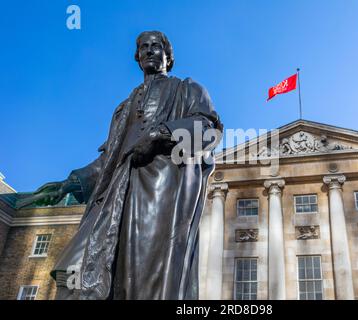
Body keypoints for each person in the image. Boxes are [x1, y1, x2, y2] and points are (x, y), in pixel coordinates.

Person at [31, 31, 223, 300]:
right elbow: (108, 159)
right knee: (74, 269)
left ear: (169, 55)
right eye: (143, 47)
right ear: (137, 57)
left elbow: (207, 128)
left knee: (145, 277)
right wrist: (69, 183)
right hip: (117, 193)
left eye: (156, 46)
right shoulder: (124, 108)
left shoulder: (187, 89)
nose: (149, 51)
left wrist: (161, 134)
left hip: (162, 190)